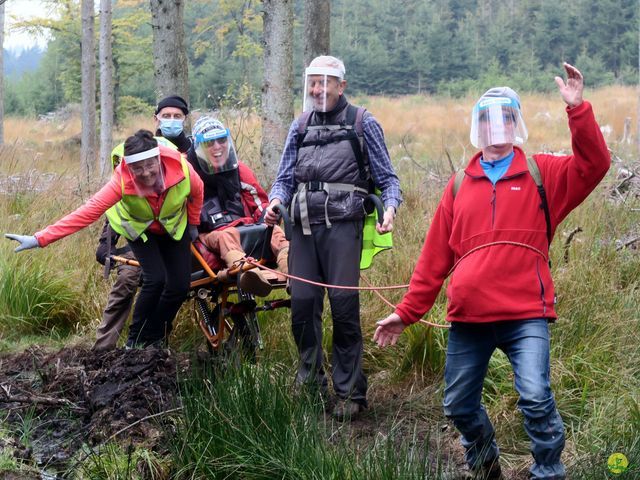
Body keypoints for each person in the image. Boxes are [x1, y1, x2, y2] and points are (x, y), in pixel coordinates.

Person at [373, 63, 610, 479]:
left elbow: (594, 165)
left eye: (504, 117)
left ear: (516, 124)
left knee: (536, 397)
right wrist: (406, 313)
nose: (495, 126)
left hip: (526, 314)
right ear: (476, 128)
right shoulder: (458, 185)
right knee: (459, 405)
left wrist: (577, 110)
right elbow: (432, 262)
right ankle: (485, 467)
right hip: (469, 317)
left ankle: (548, 471)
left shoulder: (543, 174)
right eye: (486, 118)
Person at [264, 55, 402, 421]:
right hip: (303, 228)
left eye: (326, 83)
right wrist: (275, 201)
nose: (318, 90)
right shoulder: (300, 125)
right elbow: (283, 179)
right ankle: (310, 383)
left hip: (344, 226)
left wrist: (390, 208)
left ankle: (351, 393)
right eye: (313, 83)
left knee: (343, 306)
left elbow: (388, 179)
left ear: (342, 86)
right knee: (303, 305)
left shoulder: (363, 122)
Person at [5, 129, 204, 349]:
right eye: (138, 168)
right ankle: (134, 341)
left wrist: (193, 223)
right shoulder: (120, 181)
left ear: (158, 159)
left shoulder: (183, 169)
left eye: (150, 165)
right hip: (140, 230)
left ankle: (154, 335)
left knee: (179, 286)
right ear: (129, 166)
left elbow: (198, 191)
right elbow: (87, 212)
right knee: (155, 279)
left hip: (174, 228)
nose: (146, 173)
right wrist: (39, 238)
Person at [92, 101, 192, 352]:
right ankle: (106, 347)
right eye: (166, 115)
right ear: (156, 119)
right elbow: (117, 206)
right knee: (129, 278)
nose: (171, 120)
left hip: (177, 232)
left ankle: (155, 341)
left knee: (176, 282)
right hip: (141, 236)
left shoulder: (194, 152)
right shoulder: (139, 150)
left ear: (185, 119)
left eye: (177, 116)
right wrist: (108, 242)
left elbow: (201, 193)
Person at [188, 116, 289, 296]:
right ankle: (249, 274)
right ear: (199, 149)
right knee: (225, 236)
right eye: (210, 143)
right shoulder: (189, 175)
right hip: (211, 235)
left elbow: (259, 203)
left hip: (246, 226)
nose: (218, 147)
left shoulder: (239, 171)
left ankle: (292, 272)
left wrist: (269, 216)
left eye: (221, 141)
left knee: (275, 232)